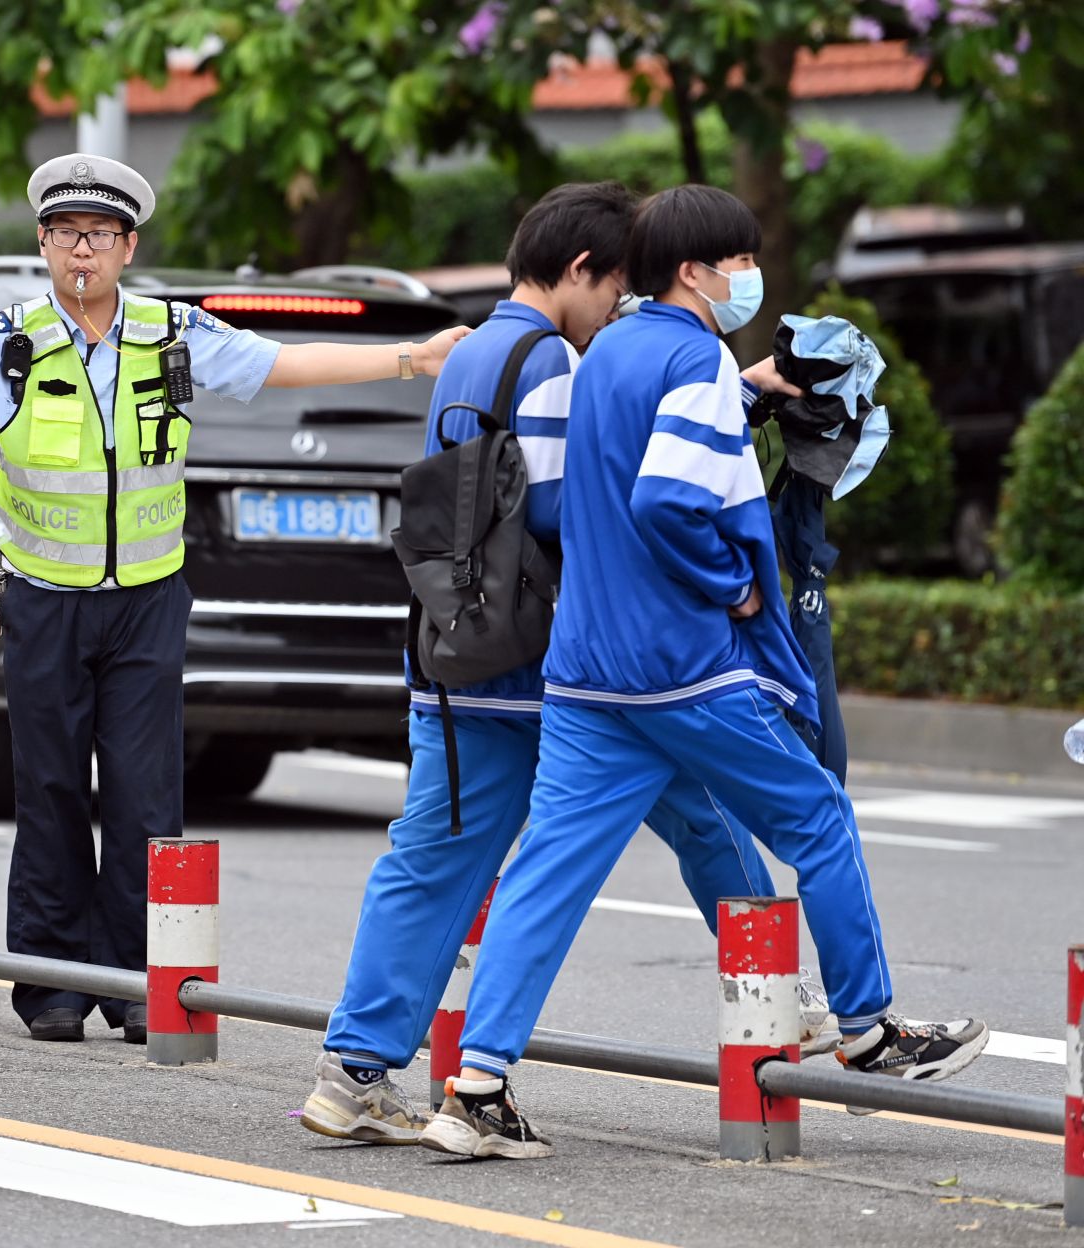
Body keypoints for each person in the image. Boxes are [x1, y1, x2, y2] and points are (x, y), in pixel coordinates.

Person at [425, 185, 988, 1161]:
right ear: (695, 271)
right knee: (817, 818)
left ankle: (475, 1087)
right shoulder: (694, 355)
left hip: (587, 672)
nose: (746, 278)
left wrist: (757, 390)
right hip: (678, 665)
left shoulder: (608, 354)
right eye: (737, 262)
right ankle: (867, 1028)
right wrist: (731, 585)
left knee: (550, 875)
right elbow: (670, 501)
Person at [0, 154, 471, 1044]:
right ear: (42, 245)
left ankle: (139, 984)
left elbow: (283, 364)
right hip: (45, 595)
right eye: (62, 235)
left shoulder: (172, 334)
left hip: (148, 596)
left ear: (128, 247)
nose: (78, 252)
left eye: (96, 236)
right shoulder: (6, 339)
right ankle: (50, 986)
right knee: (48, 785)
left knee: (144, 790)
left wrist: (412, 358)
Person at [301, 183, 810, 1145]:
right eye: (619, 288)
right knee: (705, 812)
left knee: (432, 860)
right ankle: (789, 998)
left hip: (459, 655)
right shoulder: (551, 366)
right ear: (581, 271)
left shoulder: (471, 353)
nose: (623, 310)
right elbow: (593, 504)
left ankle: (354, 1071)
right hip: (558, 668)